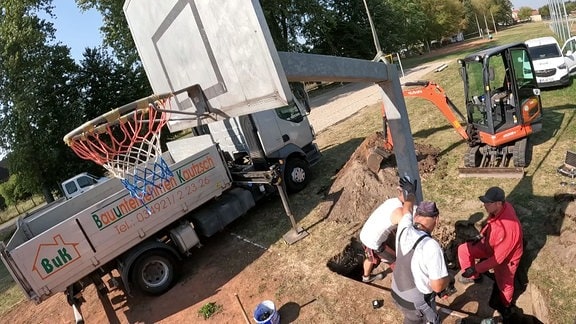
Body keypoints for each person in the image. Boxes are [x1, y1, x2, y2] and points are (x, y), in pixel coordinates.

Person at [457, 186, 523, 319]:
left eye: (488, 202)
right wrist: (480, 236)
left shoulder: (509, 228)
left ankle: (506, 306)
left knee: (504, 284)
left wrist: (476, 267)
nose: (484, 205)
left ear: (498, 203)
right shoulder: (500, 209)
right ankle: (474, 277)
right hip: (490, 245)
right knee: (463, 249)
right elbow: (490, 223)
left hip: (506, 259)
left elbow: (497, 260)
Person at [391, 177, 450, 324]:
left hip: (396, 293)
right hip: (417, 303)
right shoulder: (431, 246)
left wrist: (411, 193)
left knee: (411, 319)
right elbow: (437, 286)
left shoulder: (404, 227)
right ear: (437, 220)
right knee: (430, 320)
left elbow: (407, 207)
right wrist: (447, 279)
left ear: (416, 216)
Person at [359, 189, 404, 283]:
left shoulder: (392, 201)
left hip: (365, 234)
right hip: (374, 242)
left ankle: (366, 277)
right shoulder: (400, 212)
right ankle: (403, 281)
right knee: (396, 260)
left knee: (370, 258)